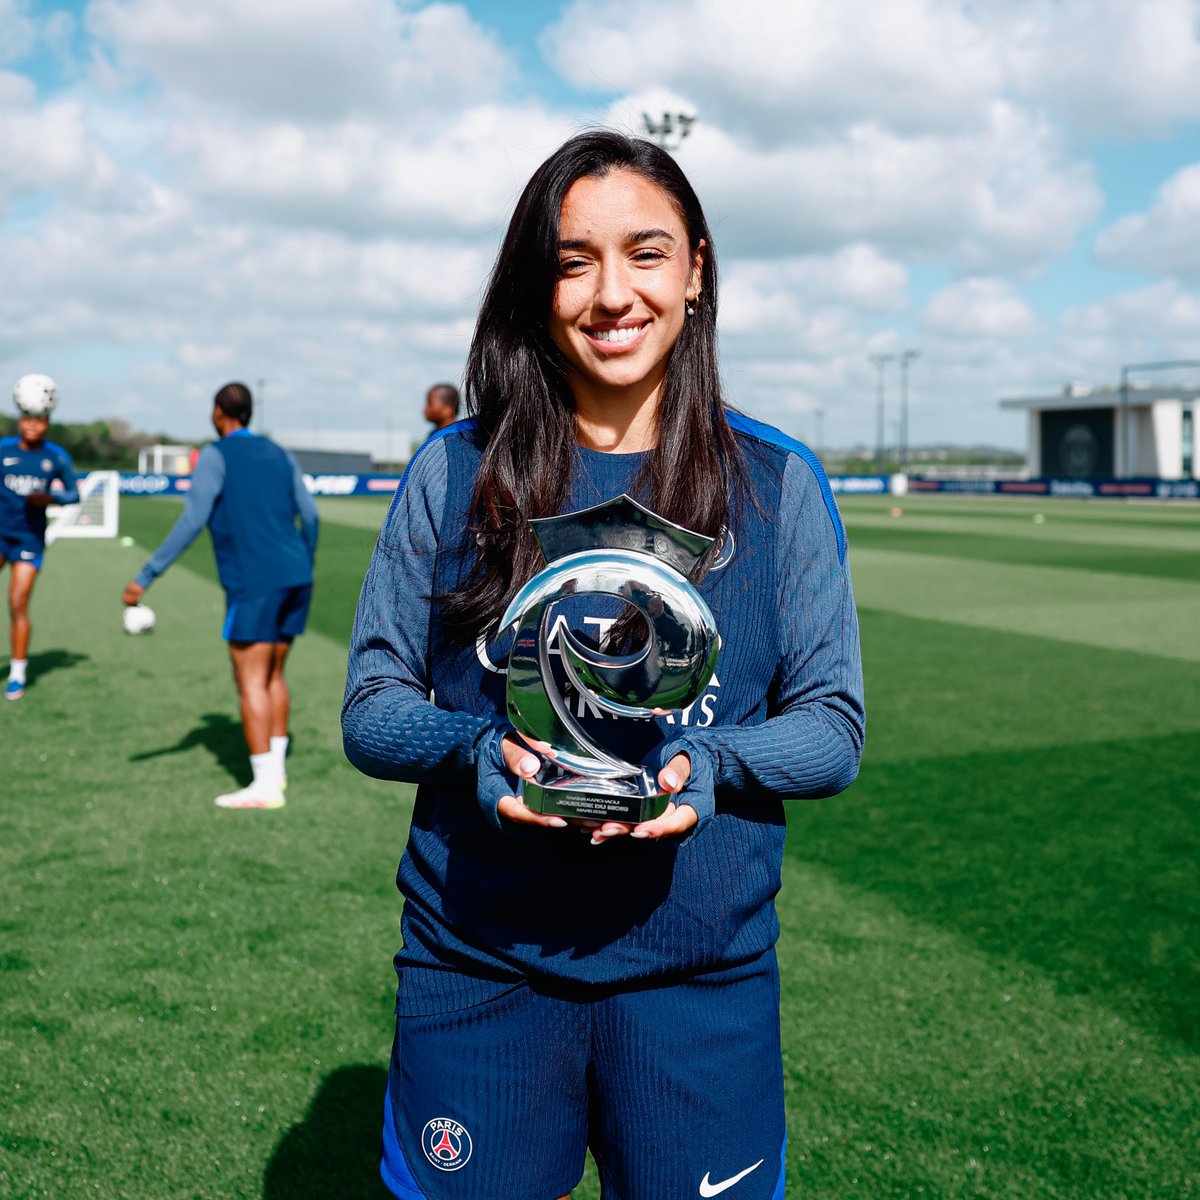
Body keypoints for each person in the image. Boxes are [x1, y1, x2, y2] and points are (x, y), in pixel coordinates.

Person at [342, 132, 865, 1199]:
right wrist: (486, 753)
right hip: (478, 969)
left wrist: (706, 764)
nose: (612, 293)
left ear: (696, 270)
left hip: (696, 982)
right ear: (536, 283)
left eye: (646, 253)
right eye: (574, 260)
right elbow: (371, 709)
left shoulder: (777, 481)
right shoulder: (453, 473)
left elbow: (834, 730)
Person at [123, 382, 319, 809]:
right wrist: (306, 560)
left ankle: (265, 786)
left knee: (249, 678)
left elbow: (193, 519)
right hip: (296, 576)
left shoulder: (215, 454)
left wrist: (146, 575)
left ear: (218, 413)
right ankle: (277, 771)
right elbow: (310, 513)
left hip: (255, 582)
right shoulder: (279, 452)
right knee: (274, 675)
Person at [1, 373, 79, 701]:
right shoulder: (2, 450)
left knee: (17, 601)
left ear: (47, 422)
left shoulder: (56, 456)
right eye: (28, 419)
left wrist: (50, 499)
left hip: (30, 538)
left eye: (40, 420)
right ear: (20, 418)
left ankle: (18, 671)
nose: (33, 425)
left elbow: (74, 494)